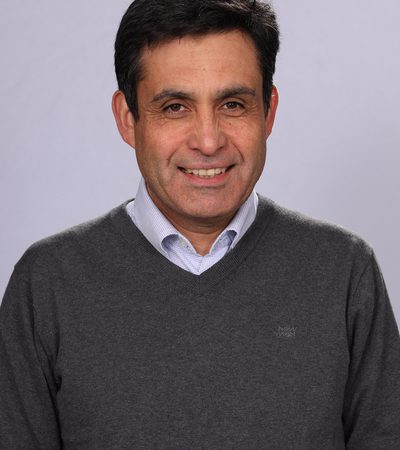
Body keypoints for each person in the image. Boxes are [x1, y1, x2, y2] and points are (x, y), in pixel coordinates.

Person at [1, 0, 399, 448]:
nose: (208, 141)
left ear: (268, 112)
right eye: (175, 107)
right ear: (128, 119)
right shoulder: (47, 284)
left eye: (233, 104)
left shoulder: (344, 272)